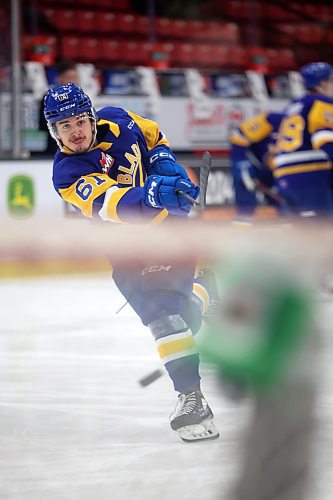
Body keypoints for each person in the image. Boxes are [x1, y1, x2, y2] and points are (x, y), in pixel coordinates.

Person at [43, 82, 219, 443]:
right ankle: (204, 292)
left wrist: (163, 161)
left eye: (79, 121)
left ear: (91, 118)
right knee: (177, 319)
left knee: (167, 318)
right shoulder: (67, 172)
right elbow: (111, 204)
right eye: (65, 126)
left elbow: (153, 135)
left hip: (170, 233)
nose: (75, 132)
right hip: (126, 249)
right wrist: (155, 193)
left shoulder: (119, 119)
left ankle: (192, 397)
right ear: (54, 131)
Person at [272, 62, 333, 217]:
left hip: (283, 174)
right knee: (321, 229)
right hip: (309, 174)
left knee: (302, 232)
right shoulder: (322, 103)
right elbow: (325, 138)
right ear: (322, 84)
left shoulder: (293, 106)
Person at [229, 111, 284, 219]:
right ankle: (242, 227)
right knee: (245, 195)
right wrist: (243, 166)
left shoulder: (311, 130)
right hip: (255, 167)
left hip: (278, 172)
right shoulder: (272, 119)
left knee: (290, 210)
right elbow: (239, 136)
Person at [38, 60, 79, 156]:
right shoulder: (48, 99)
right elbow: (43, 125)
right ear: (59, 78)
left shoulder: (80, 99)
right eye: (69, 78)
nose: (72, 81)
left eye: (75, 78)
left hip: (77, 149)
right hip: (55, 149)